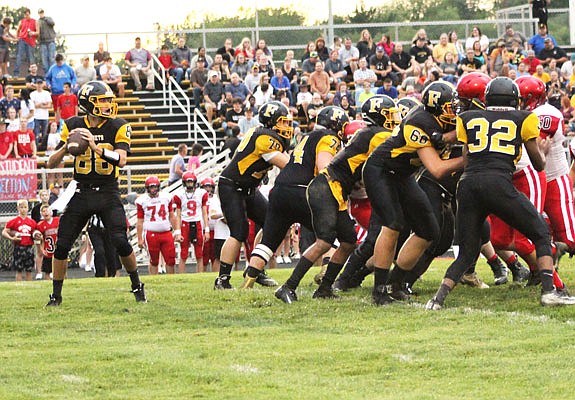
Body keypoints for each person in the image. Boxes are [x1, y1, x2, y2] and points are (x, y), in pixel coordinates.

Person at [426, 76, 575, 310]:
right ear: (514, 99)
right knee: (540, 235)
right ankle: (549, 291)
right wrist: (543, 152)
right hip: (498, 183)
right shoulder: (524, 118)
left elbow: (467, 157)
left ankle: (438, 299)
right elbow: (538, 165)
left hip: (468, 185)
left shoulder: (467, 118)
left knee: (466, 252)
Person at [275, 97, 397, 302]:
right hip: (327, 187)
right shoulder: (374, 135)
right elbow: (326, 165)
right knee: (324, 242)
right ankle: (288, 286)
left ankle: (325, 287)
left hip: (332, 190)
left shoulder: (361, 137)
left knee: (349, 241)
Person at [45, 80, 146, 306]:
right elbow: (51, 162)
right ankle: (56, 296)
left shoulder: (118, 125)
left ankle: (137, 286)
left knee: (120, 241)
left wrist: (95, 146)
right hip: (81, 191)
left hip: (108, 191)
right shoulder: (72, 124)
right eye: (102, 101)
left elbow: (121, 160)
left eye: (108, 100)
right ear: (88, 104)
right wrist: (66, 146)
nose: (107, 105)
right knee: (61, 245)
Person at [363, 82, 464, 305]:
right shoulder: (419, 123)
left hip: (403, 174)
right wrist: (468, 159)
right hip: (381, 170)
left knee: (429, 230)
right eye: (449, 107)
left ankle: (395, 283)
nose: (454, 111)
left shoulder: (440, 120)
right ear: (436, 108)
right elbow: (437, 169)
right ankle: (379, 290)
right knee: (393, 224)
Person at [242, 106, 348, 289]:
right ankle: (325, 272)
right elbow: (324, 166)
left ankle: (248, 283)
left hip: (280, 189)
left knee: (269, 240)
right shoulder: (330, 138)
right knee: (330, 233)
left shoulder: (305, 137)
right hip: (302, 191)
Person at [215, 101, 293, 289]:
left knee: (273, 223)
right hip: (232, 186)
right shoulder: (265, 138)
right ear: (271, 121)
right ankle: (222, 280)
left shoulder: (264, 135)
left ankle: (255, 266)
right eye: (283, 122)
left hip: (249, 188)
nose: (287, 127)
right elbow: (287, 165)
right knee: (239, 231)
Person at [136, 176, 181, 275]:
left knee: (170, 260)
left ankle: (171, 280)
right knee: (154, 261)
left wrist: (177, 231)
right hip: (151, 233)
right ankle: (153, 280)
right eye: (151, 187)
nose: (153, 190)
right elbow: (140, 221)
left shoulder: (166, 197)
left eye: (155, 187)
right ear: (147, 188)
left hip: (166, 232)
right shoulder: (142, 200)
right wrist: (139, 238)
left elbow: (172, 216)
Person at [172, 172, 210, 273]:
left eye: (191, 181)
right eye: (188, 182)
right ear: (184, 183)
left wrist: (207, 230)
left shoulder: (201, 193)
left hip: (197, 223)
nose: (190, 184)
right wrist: (178, 232)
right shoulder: (179, 195)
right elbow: (178, 215)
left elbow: (204, 213)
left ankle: (200, 275)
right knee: (183, 253)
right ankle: (181, 276)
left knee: (199, 253)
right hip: (185, 224)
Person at [3, 199, 37, 281]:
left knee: (29, 269)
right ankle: (18, 285)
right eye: (21, 207)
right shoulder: (14, 221)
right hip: (19, 247)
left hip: (29, 247)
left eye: (25, 207)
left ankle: (29, 285)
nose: (23, 209)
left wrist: (37, 235)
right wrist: (12, 238)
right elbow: (4, 231)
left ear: (28, 208)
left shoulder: (31, 222)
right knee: (19, 269)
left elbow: (36, 231)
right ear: (18, 208)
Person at [35, 204, 59, 280]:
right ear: (41, 214)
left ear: (51, 212)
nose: (45, 212)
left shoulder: (58, 220)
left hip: (58, 249)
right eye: (43, 211)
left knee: (60, 269)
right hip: (48, 251)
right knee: (47, 271)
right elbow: (39, 240)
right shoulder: (40, 225)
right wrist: (41, 250)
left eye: (47, 210)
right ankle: (47, 285)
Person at [13, 8, 37, 78]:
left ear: (29, 14)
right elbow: (18, 30)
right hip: (22, 40)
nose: (26, 16)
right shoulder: (22, 21)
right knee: (19, 56)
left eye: (27, 14)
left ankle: (31, 74)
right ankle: (16, 73)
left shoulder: (34, 21)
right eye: (25, 15)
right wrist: (17, 37)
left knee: (31, 58)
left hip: (30, 41)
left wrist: (32, 33)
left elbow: (38, 32)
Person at [30, 78, 51, 149]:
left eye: (40, 83)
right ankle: (36, 149)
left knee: (45, 134)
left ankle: (44, 148)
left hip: (45, 117)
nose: (39, 85)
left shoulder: (46, 93)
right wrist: (42, 103)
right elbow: (32, 105)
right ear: (35, 85)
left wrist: (39, 105)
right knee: (36, 134)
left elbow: (49, 105)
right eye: (38, 84)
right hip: (36, 117)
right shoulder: (32, 94)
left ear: (42, 84)